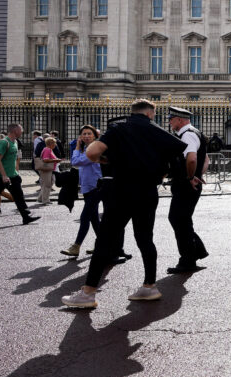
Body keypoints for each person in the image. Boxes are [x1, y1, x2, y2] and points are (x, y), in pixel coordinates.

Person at [61, 100, 187, 308]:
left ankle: (88, 292)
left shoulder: (119, 129)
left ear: (133, 112)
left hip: (122, 190)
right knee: (145, 239)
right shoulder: (158, 132)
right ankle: (149, 286)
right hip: (147, 191)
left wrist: (109, 162)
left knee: (105, 240)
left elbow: (92, 153)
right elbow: (170, 165)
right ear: (149, 114)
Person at [167, 107, 209, 274]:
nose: (170, 122)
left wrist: (191, 177)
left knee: (178, 219)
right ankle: (196, 251)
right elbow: (205, 159)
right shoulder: (194, 132)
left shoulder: (187, 134)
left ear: (180, 120)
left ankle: (187, 260)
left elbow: (192, 159)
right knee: (182, 220)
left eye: (171, 119)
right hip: (189, 184)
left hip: (186, 184)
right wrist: (199, 174)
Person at [60, 125, 103, 257]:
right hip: (87, 187)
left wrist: (77, 148)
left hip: (96, 187)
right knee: (94, 219)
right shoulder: (87, 148)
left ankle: (76, 246)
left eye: (89, 133)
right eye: (84, 134)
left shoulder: (95, 149)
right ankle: (103, 245)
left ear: (95, 135)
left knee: (85, 217)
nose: (86, 136)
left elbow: (75, 162)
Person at [37, 136, 62, 204]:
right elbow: (45, 159)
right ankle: (45, 200)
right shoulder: (47, 149)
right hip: (47, 170)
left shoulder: (47, 149)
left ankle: (40, 198)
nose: (55, 145)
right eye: (54, 143)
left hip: (49, 169)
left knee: (48, 183)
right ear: (51, 144)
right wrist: (56, 160)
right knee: (47, 185)